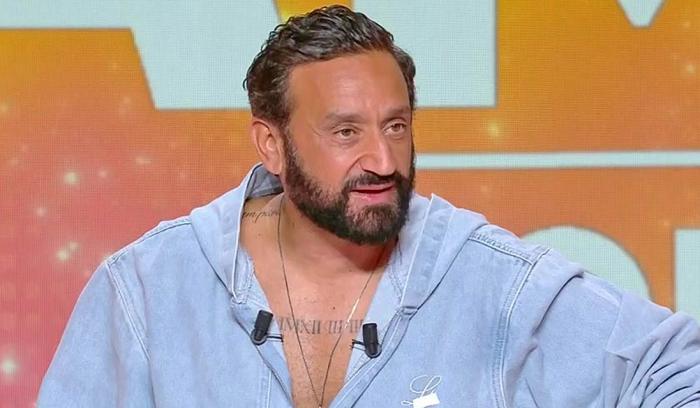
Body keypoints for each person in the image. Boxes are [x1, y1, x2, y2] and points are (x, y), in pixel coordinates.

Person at [38, 5, 700, 408]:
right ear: (272, 144)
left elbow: (677, 371)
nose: (383, 160)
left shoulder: (494, 283)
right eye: (346, 132)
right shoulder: (147, 290)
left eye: (396, 126)